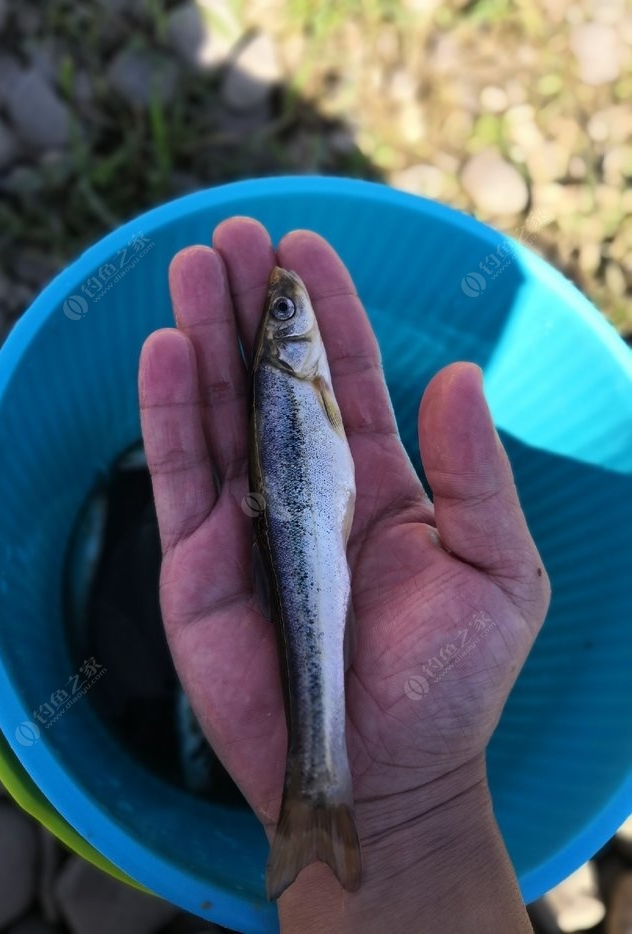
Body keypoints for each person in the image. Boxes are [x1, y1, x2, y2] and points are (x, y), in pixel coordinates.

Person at [138, 216, 551, 933]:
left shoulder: (295, 375)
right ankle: (317, 791)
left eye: (284, 309)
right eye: (286, 312)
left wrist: (414, 812)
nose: (288, 304)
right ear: (289, 343)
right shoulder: (297, 375)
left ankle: (316, 798)